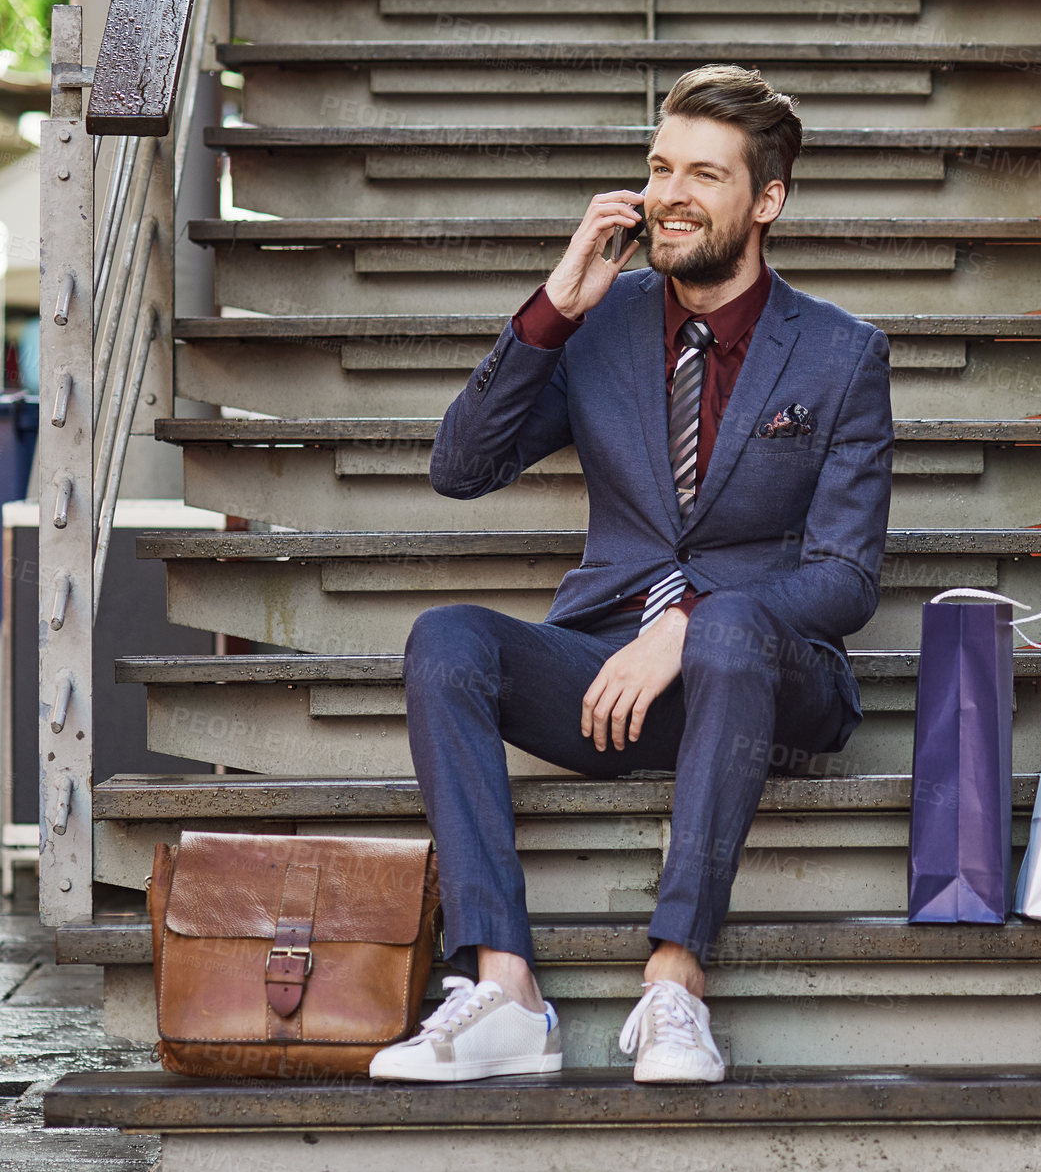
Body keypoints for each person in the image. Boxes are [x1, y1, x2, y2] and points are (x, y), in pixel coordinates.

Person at [369, 65, 893, 1086]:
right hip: (610, 676)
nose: (669, 194)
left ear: (767, 200)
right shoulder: (601, 320)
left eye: (703, 172)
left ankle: (673, 982)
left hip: (765, 679)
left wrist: (688, 626)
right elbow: (460, 468)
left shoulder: (838, 355)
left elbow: (844, 578)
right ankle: (505, 986)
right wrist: (555, 308)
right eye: (659, 168)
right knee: (447, 639)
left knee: (732, 627)